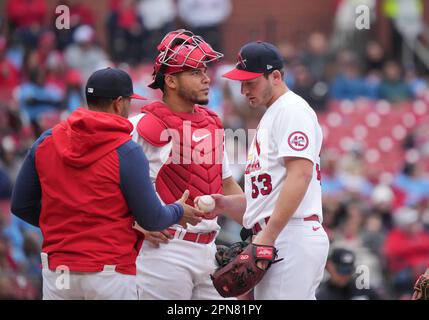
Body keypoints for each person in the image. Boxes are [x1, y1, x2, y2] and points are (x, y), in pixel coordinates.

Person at [11, 67, 203, 300]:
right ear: (118, 103)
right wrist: (178, 210)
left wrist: (63, 224)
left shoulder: (46, 140)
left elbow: (21, 205)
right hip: (110, 272)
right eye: (129, 102)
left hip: (58, 271)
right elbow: (152, 219)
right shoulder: (127, 150)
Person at [129, 29, 243, 300]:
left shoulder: (211, 122)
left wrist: (259, 226)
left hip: (209, 249)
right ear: (170, 80)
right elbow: (109, 183)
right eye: (195, 72)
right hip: (164, 251)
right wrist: (133, 223)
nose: (206, 79)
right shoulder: (141, 126)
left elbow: (226, 183)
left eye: (205, 71)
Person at [213, 41, 330, 299]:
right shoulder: (273, 114)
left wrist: (268, 234)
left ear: (275, 76)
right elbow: (266, 199)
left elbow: (301, 174)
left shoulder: (292, 110)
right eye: (241, 83)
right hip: (279, 234)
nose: (243, 90)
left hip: (291, 235)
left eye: (250, 82)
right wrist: (224, 204)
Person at [316, 248, 381, 300]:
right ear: (330, 266)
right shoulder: (320, 293)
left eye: (349, 271)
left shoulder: (364, 290)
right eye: (341, 270)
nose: (345, 275)